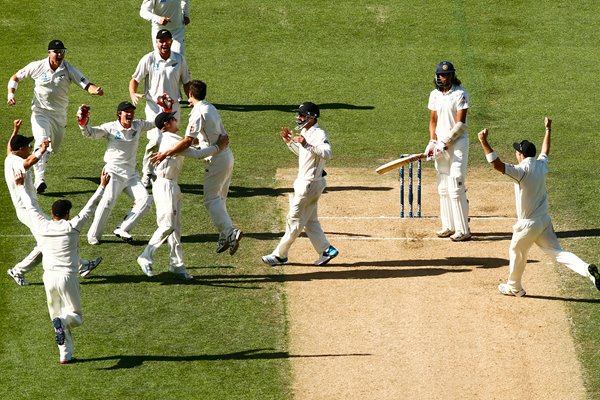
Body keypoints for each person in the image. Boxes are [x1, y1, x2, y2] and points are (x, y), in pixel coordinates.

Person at [477, 118, 600, 297]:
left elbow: (496, 165)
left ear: (521, 155)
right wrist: (548, 129)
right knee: (557, 252)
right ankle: (587, 270)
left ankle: (514, 287)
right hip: (544, 221)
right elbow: (545, 151)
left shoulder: (521, 171)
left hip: (528, 225)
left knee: (516, 251)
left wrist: (483, 141)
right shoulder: (541, 164)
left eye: (517, 152)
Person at [15, 169, 110, 364]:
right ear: (67, 214)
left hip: (48, 278)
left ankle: (65, 355)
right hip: (68, 277)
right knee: (75, 317)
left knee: (56, 317)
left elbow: (31, 205)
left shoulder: (41, 225)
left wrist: (19, 186)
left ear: (52, 213)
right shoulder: (73, 226)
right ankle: (63, 324)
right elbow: (90, 207)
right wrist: (102, 186)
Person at [151, 80, 242, 255]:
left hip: (215, 158)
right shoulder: (211, 107)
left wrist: (165, 153)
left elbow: (187, 141)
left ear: (190, 95)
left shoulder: (197, 112)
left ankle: (231, 232)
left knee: (211, 200)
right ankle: (224, 235)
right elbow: (193, 139)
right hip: (226, 156)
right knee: (220, 198)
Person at [5, 120, 101, 286]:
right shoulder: (18, 162)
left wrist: (15, 130)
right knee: (46, 243)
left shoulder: (10, 157)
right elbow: (28, 163)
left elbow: (10, 148)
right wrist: (41, 151)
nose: (29, 148)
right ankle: (18, 270)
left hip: (27, 208)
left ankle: (82, 266)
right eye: (27, 146)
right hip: (26, 209)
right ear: (20, 150)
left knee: (51, 238)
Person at [137, 112, 229, 279]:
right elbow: (196, 154)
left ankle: (177, 266)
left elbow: (193, 147)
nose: (176, 120)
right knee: (167, 226)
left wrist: (206, 143)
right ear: (166, 124)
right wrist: (218, 147)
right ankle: (145, 255)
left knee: (175, 229)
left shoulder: (173, 139)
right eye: (172, 119)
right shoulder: (171, 139)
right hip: (165, 185)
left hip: (172, 184)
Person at [7, 39, 104, 193]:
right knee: (41, 142)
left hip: (59, 116)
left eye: (62, 52)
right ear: (49, 52)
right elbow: (15, 77)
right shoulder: (37, 66)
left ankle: (44, 155)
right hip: (40, 113)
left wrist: (96, 90)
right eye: (57, 52)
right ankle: (40, 180)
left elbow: (86, 83)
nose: (60, 55)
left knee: (54, 147)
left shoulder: (68, 68)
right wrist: (10, 94)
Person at [261, 102, 339, 266]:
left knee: (293, 221)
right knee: (310, 221)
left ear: (312, 117)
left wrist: (307, 144)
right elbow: (304, 153)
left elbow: (327, 153)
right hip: (306, 183)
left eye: (302, 115)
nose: (299, 118)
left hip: (309, 185)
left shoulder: (318, 133)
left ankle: (279, 255)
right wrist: (290, 142)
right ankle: (326, 250)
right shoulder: (305, 131)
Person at [78, 101, 155, 245]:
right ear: (120, 114)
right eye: (127, 111)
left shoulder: (138, 125)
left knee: (145, 199)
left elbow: (156, 123)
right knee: (108, 201)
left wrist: (166, 110)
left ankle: (123, 228)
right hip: (113, 172)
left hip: (131, 174)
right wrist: (83, 123)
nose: (130, 114)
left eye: (132, 111)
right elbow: (91, 133)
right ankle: (93, 235)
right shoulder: (111, 128)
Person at [129, 29, 192, 188]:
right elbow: (135, 79)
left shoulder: (179, 59)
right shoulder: (148, 59)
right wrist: (132, 93)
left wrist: (191, 99)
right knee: (155, 140)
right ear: (156, 42)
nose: (164, 44)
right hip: (154, 108)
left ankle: (165, 174)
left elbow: (186, 82)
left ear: (171, 41)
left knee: (170, 142)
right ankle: (147, 173)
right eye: (161, 41)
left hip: (173, 108)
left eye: (167, 40)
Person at [423, 61, 471, 241]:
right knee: (443, 186)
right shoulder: (434, 95)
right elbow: (433, 120)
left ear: (452, 75)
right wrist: (432, 141)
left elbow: (460, 124)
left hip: (457, 143)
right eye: (441, 75)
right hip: (440, 144)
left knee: (456, 185)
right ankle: (448, 226)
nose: (443, 78)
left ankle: (464, 230)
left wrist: (447, 141)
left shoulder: (460, 93)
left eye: (446, 75)